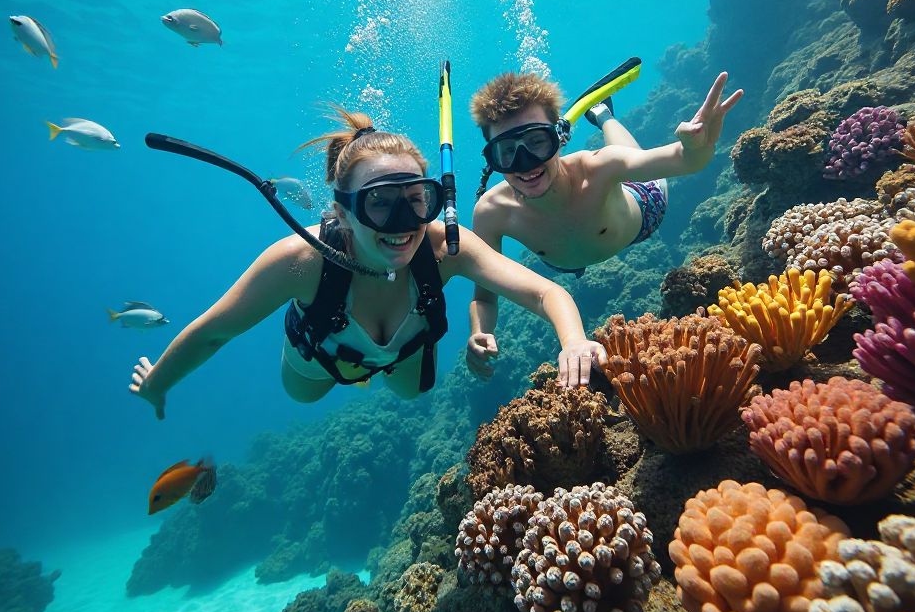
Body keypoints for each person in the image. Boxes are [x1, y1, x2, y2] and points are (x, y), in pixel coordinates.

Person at [129, 110, 608, 417]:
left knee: (412, 393)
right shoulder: (301, 260)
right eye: (380, 203)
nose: (403, 224)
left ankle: (388, 361)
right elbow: (214, 330)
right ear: (340, 211)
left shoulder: (444, 246)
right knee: (306, 395)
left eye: (418, 199)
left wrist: (574, 342)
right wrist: (157, 384)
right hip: (320, 360)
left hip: (403, 352)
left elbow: (547, 292)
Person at [465, 70, 742, 380]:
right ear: (492, 160)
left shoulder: (597, 166)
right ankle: (600, 117)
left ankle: (605, 116)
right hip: (567, 264)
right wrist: (480, 331)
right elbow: (485, 294)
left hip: (645, 211)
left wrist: (696, 146)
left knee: (629, 158)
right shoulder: (490, 212)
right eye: (507, 152)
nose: (526, 162)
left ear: (559, 138)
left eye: (536, 142)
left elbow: (684, 161)